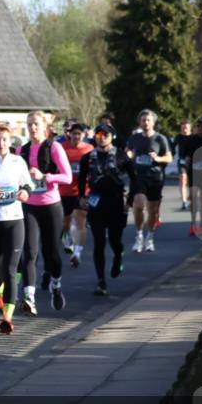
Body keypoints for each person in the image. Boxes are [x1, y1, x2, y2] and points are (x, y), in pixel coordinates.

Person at [0, 124, 33, 334]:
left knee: (11, 270)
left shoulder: (18, 162)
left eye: (4, 139)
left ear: (10, 142)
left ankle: (7, 318)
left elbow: (29, 185)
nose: (1, 143)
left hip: (14, 220)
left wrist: (25, 193)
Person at [17, 111, 72, 314]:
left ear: (45, 126)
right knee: (30, 253)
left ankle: (56, 285)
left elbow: (66, 177)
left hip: (51, 206)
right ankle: (29, 298)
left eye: (36, 124)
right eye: (29, 124)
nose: (32, 128)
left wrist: (45, 176)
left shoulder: (54, 147)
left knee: (52, 254)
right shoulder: (21, 151)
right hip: (29, 206)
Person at [78, 123, 135, 296]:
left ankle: (119, 255)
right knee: (99, 242)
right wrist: (82, 196)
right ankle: (101, 281)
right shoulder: (88, 157)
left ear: (112, 137)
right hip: (96, 203)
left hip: (116, 202)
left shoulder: (121, 156)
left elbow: (134, 177)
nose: (101, 137)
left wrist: (130, 200)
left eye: (105, 134)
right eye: (98, 134)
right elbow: (81, 178)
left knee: (115, 241)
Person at [125, 109, 172, 253]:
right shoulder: (135, 138)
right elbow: (128, 150)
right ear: (139, 122)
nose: (145, 122)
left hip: (155, 178)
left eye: (148, 120)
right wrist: (129, 154)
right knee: (138, 205)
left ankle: (149, 237)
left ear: (153, 122)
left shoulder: (160, 139)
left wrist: (157, 158)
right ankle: (139, 236)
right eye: (143, 120)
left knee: (153, 211)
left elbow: (169, 158)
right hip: (139, 176)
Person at [60, 122, 94, 268]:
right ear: (70, 135)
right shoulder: (62, 148)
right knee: (65, 222)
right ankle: (67, 237)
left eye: (79, 134)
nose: (76, 136)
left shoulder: (89, 149)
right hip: (64, 191)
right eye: (74, 133)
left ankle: (77, 253)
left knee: (80, 220)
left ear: (84, 135)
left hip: (82, 191)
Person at [173, 121, 192, 210]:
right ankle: (184, 201)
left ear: (190, 128)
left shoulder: (194, 138)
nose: (184, 129)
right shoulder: (178, 137)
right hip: (182, 161)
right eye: (183, 127)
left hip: (193, 161)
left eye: (186, 127)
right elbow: (172, 148)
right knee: (183, 179)